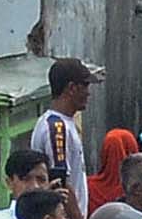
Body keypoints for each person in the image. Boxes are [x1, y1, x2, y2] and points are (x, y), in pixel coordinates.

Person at [30, 57, 96, 193]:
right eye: (85, 86)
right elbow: (60, 184)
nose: (88, 93)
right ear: (71, 88)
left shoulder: (66, 123)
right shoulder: (56, 127)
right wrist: (77, 215)